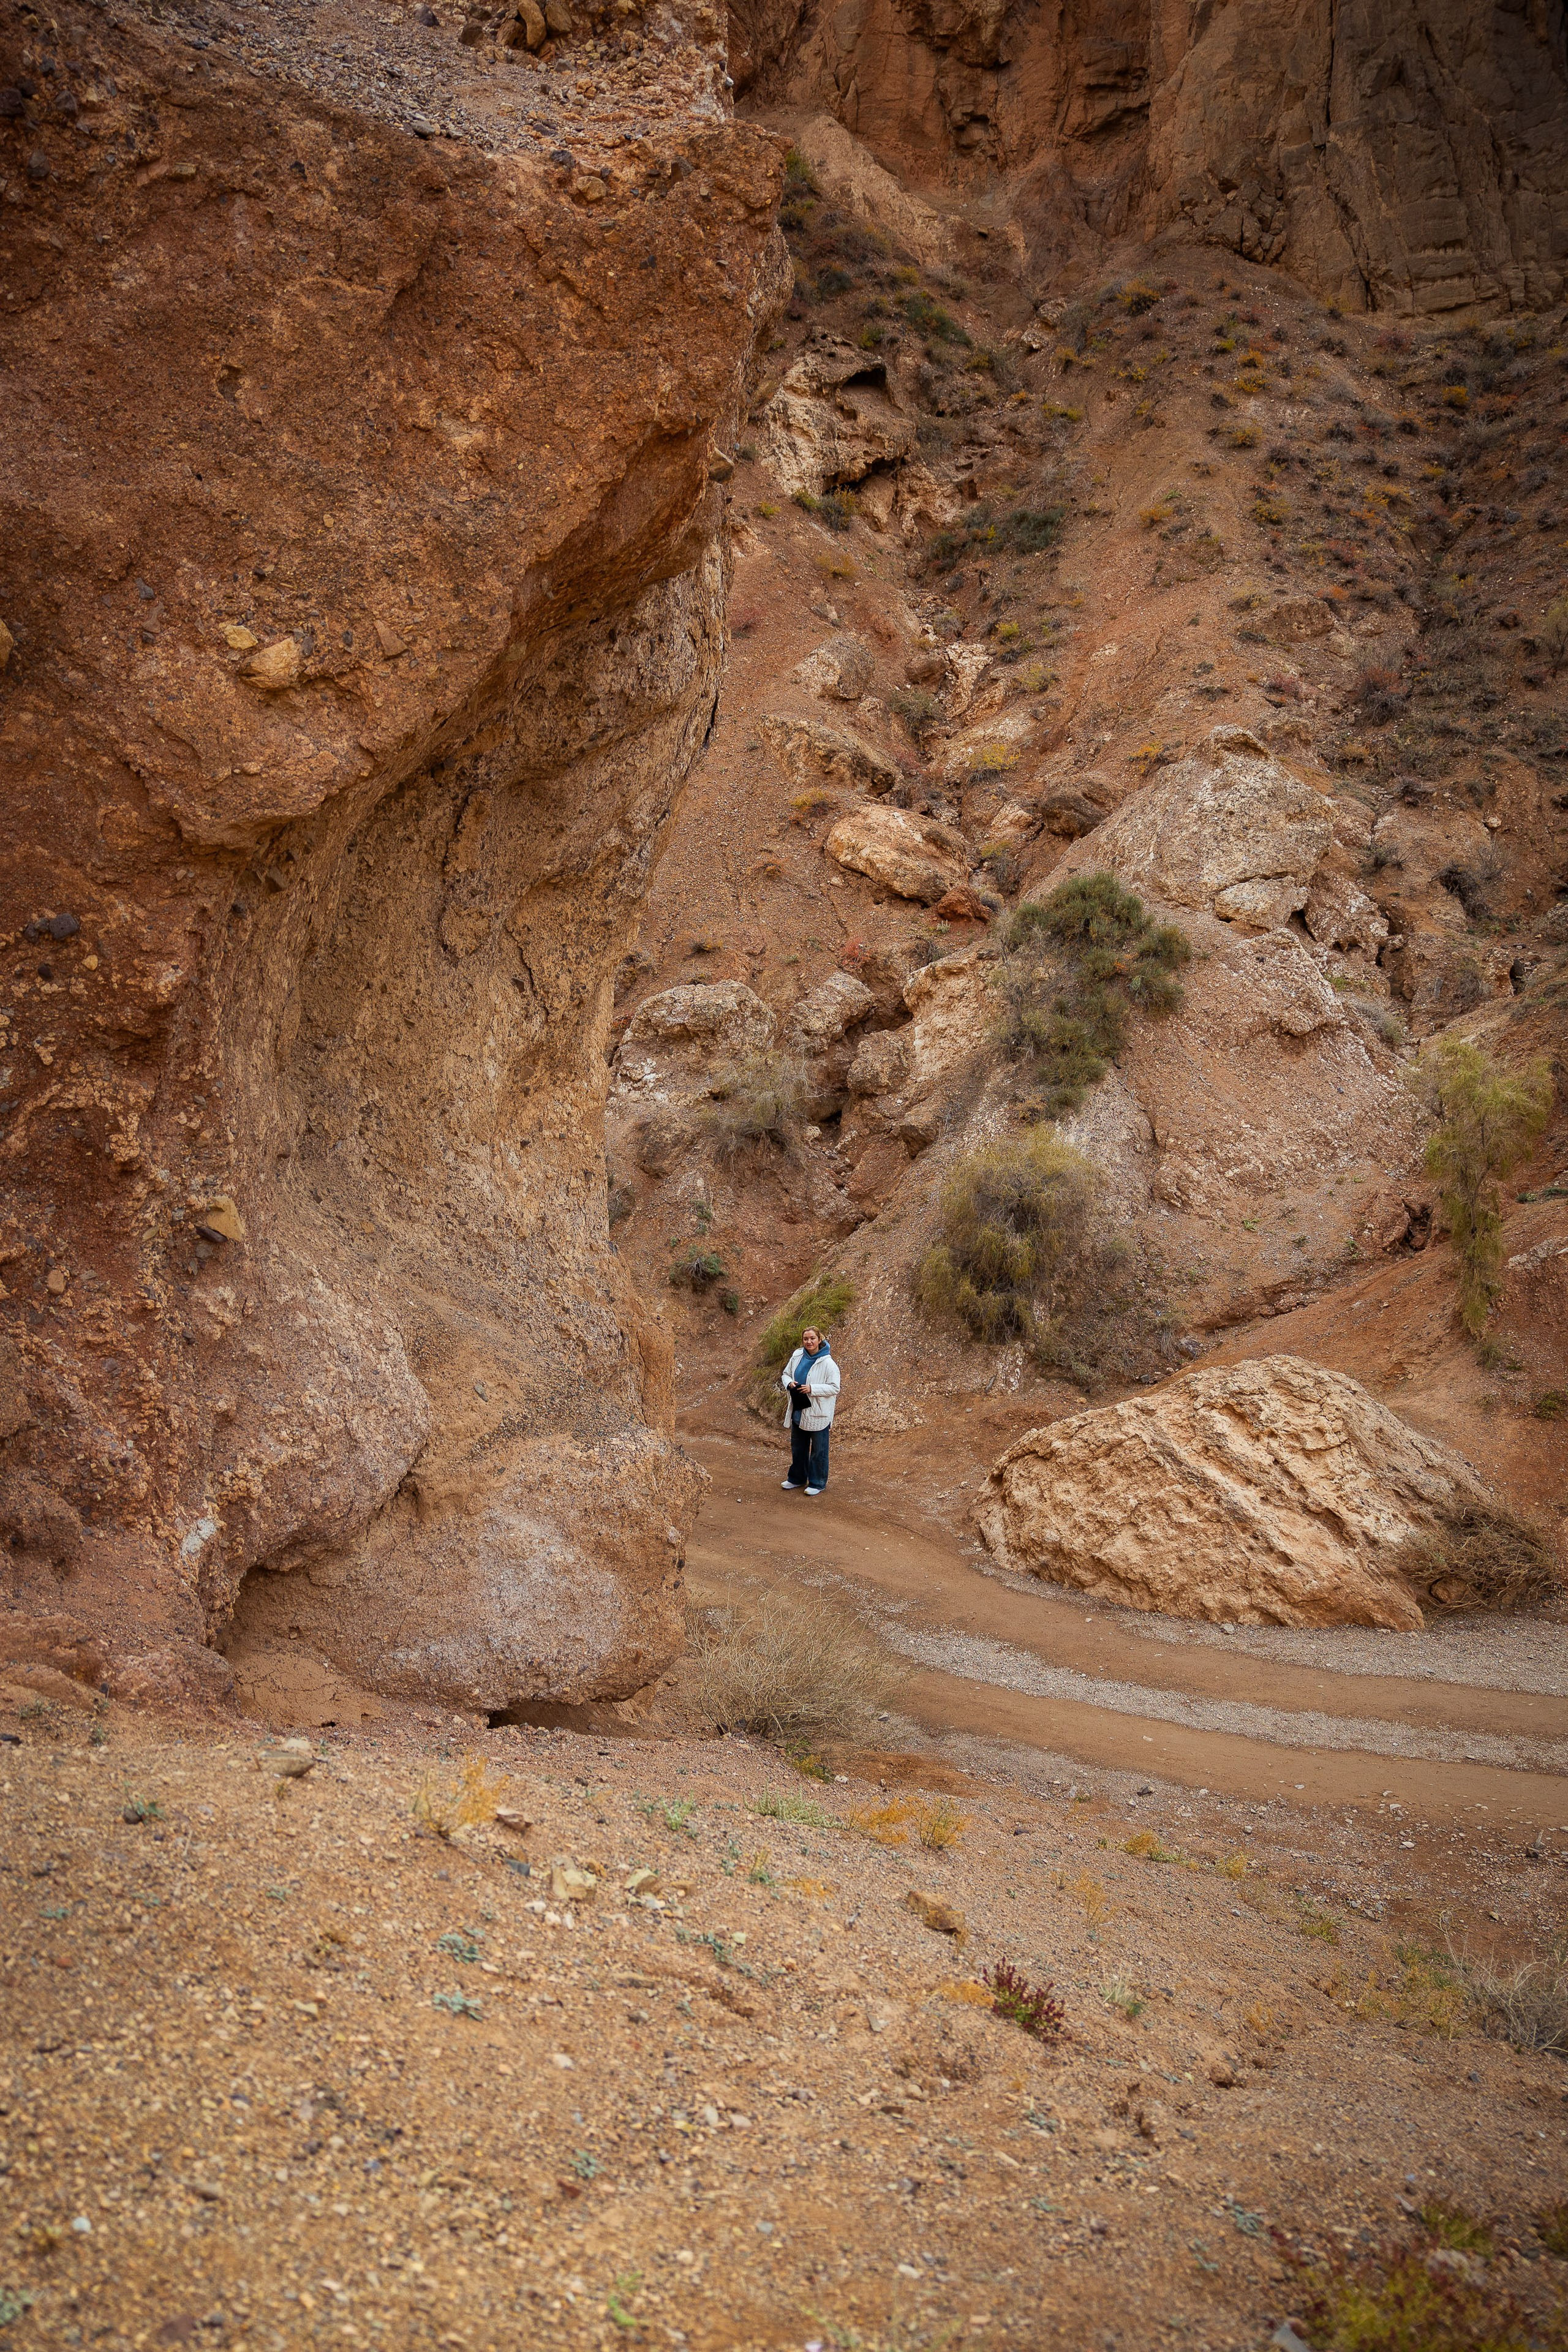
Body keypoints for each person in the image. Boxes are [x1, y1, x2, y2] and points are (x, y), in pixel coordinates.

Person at [778, 1325, 840, 1497]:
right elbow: (786, 1374)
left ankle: (818, 1482)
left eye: (812, 1338)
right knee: (798, 1447)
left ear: (819, 1340)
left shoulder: (828, 1363)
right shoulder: (797, 1355)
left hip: (818, 1412)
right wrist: (789, 1383)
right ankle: (797, 1478)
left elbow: (835, 1388)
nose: (809, 1342)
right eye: (806, 1339)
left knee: (819, 1450)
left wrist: (812, 1389)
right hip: (799, 1407)